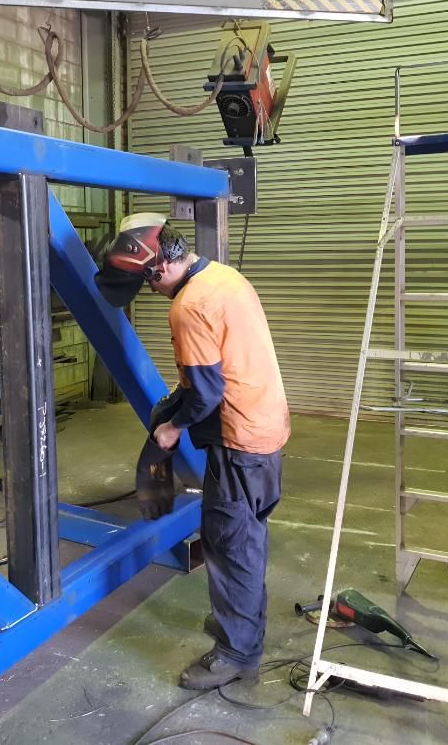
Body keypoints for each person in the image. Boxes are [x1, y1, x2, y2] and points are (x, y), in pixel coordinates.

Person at [95, 213, 290, 690]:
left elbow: (205, 393)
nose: (152, 291)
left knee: (229, 544)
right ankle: (242, 623)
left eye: (148, 283)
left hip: (239, 441)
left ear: (160, 267)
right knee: (248, 535)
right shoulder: (223, 277)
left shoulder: (189, 306)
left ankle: (237, 653)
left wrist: (172, 428)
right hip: (267, 425)